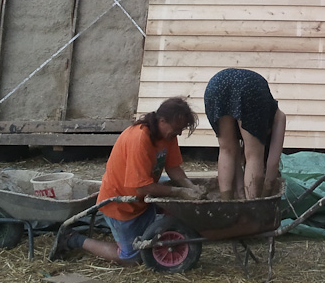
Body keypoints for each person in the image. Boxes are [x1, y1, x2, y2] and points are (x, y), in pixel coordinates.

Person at [53, 97, 203, 266]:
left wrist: (190, 187)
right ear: (162, 121)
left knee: (172, 189)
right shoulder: (139, 138)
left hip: (141, 198)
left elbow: (173, 167)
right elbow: (141, 187)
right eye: (177, 129)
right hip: (121, 203)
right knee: (131, 258)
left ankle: (160, 218)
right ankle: (73, 239)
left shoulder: (168, 136)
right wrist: (180, 192)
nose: (179, 133)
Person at [204, 68, 287, 200]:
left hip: (216, 84)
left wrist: (240, 192)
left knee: (226, 150)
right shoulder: (279, 116)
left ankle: (226, 204)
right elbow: (273, 163)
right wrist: (266, 194)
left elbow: (235, 159)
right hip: (251, 87)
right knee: (254, 155)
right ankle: (252, 206)